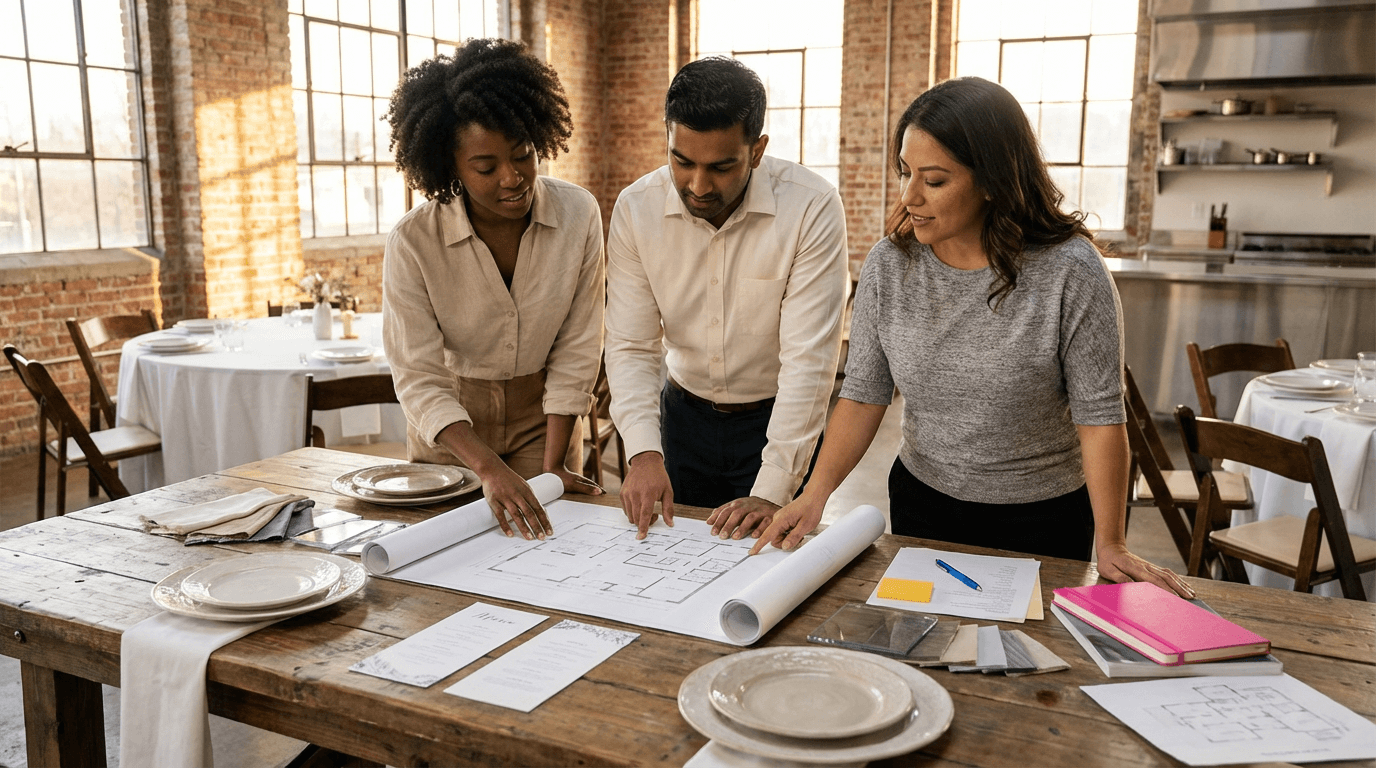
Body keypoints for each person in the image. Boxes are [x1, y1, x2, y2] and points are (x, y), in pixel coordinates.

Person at [751, 77, 1193, 598]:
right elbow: (863, 394)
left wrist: (1111, 542)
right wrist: (814, 494)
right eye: (904, 173)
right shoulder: (888, 267)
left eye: (934, 181)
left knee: (1022, 667)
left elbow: (1100, 420)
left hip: (1043, 520)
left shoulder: (1071, 271)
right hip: (923, 504)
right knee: (929, 649)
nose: (910, 196)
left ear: (991, 180)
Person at [605, 57, 850, 540]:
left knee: (764, 564)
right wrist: (643, 452)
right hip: (683, 419)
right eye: (682, 161)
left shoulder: (811, 207)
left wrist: (775, 485)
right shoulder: (636, 209)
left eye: (720, 166)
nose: (698, 186)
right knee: (673, 560)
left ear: (756, 151)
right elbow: (631, 344)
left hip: (776, 422)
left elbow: (810, 360)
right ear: (668, 139)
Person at [382, 39, 605, 541]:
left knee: (549, 552)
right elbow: (418, 375)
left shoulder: (578, 215)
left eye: (523, 155)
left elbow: (578, 345)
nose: (512, 178)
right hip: (452, 431)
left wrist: (553, 469)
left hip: (544, 421)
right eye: (485, 168)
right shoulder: (414, 241)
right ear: (450, 169)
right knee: (446, 558)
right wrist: (486, 467)